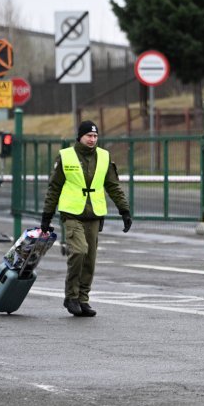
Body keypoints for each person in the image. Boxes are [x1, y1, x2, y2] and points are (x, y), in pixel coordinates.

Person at [41, 120, 132, 317]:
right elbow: (54, 188)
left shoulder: (104, 157)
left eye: (95, 136)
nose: (92, 139)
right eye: (88, 136)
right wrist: (47, 216)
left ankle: (83, 299)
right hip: (72, 214)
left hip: (94, 215)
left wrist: (124, 210)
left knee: (90, 259)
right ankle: (71, 296)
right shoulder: (66, 156)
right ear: (80, 137)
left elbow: (113, 186)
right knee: (79, 251)